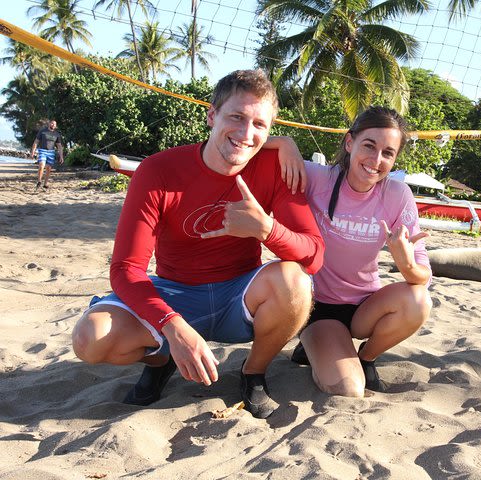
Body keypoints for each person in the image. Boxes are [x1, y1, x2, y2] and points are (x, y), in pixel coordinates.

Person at [71, 70, 325, 419]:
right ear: (211, 115)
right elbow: (126, 269)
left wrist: (266, 229)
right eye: (236, 117)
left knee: (295, 282)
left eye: (259, 125)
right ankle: (162, 358)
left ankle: (253, 373)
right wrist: (172, 327)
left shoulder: (275, 166)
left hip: (238, 294)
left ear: (270, 131)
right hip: (174, 290)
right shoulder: (158, 170)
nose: (246, 134)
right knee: (89, 338)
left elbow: (313, 257)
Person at [274, 106, 432, 396]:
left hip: (365, 307)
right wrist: (284, 142)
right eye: (369, 146)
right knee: (348, 389)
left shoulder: (398, 195)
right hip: (318, 307)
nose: (376, 160)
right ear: (350, 143)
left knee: (419, 300)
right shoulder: (317, 177)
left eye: (388, 153)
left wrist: (405, 263)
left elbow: (423, 275)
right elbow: (253, 150)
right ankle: (313, 345)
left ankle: (366, 357)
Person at [30, 119, 64, 190]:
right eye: (52, 123)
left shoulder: (57, 134)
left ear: (56, 126)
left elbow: (59, 146)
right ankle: (39, 181)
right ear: (49, 124)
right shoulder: (42, 131)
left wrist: (61, 156)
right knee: (41, 165)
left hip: (51, 152)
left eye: (54, 124)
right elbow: (36, 141)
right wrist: (33, 151)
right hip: (42, 151)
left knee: (48, 169)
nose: (53, 125)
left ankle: (45, 184)